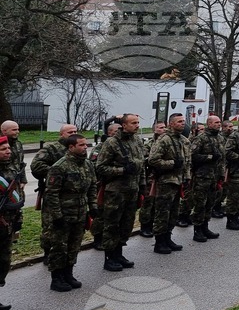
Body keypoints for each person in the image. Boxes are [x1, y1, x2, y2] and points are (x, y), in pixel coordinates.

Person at [43, 133, 96, 292]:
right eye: (81, 145)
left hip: (80, 213)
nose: (85, 147)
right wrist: (57, 216)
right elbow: (51, 194)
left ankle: (68, 274)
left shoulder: (87, 164)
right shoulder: (60, 166)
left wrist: (92, 206)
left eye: (86, 145)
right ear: (71, 147)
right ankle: (57, 278)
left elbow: (93, 186)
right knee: (60, 246)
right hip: (64, 214)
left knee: (74, 245)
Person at [95, 113, 145, 272]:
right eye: (133, 123)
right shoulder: (112, 143)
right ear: (124, 125)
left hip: (132, 189)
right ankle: (109, 257)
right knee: (112, 225)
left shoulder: (137, 140)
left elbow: (141, 166)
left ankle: (119, 253)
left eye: (138, 122)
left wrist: (142, 185)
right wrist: (121, 170)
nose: (137, 125)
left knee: (126, 224)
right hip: (115, 192)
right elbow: (100, 168)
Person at [31, 123, 77, 263]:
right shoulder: (52, 148)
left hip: (72, 195)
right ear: (61, 134)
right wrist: (56, 172)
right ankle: (47, 252)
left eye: (75, 131)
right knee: (50, 224)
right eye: (70, 132)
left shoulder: (76, 148)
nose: (73, 134)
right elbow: (36, 165)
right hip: (54, 192)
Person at [147, 113, 189, 254]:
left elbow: (186, 162)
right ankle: (159, 242)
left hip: (178, 180)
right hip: (166, 181)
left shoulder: (182, 140)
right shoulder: (164, 139)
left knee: (173, 212)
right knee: (162, 212)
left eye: (183, 121)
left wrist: (187, 177)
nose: (182, 123)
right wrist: (171, 163)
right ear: (171, 124)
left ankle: (168, 237)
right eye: (179, 121)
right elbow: (153, 160)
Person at [188, 114, 224, 241]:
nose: (219, 124)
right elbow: (192, 156)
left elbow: (221, 158)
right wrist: (209, 157)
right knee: (200, 203)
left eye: (219, 122)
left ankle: (205, 226)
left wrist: (222, 174)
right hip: (202, 176)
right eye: (216, 122)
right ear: (209, 124)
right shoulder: (201, 138)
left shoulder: (220, 138)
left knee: (210, 203)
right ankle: (197, 230)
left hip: (215, 176)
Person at [0, 135, 25, 310]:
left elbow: (17, 196)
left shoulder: (11, 169)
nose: (9, 151)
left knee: (3, 260)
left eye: (8, 148)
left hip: (7, 222)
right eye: (3, 149)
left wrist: (17, 221)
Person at [0, 121, 26, 187]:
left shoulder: (18, 144)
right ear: (4, 131)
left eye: (18, 129)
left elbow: (21, 163)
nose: (17, 132)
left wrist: (23, 180)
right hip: (3, 182)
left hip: (16, 182)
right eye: (14, 130)